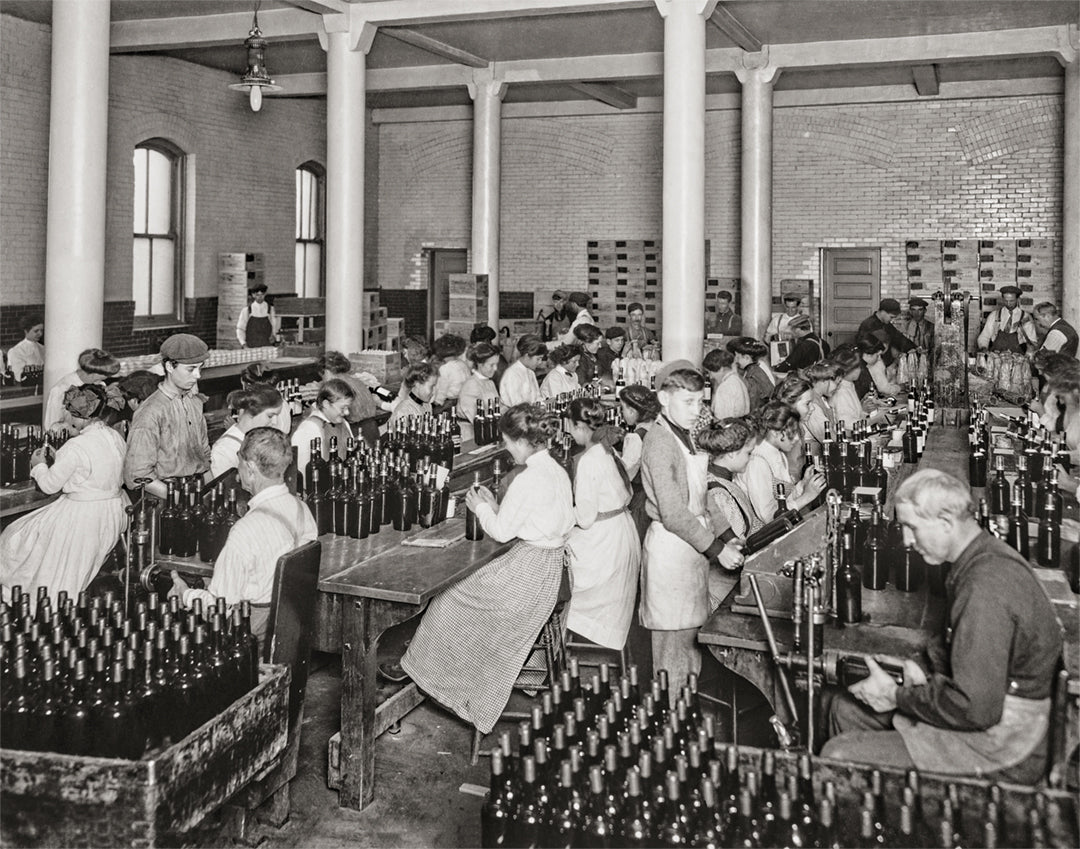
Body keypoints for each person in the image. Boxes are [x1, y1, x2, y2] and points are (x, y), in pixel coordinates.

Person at [821, 470, 1062, 784]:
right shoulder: (981, 556)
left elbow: (976, 709)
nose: (906, 540)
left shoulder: (984, 587)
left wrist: (897, 695)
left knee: (836, 755)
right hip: (991, 710)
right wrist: (919, 674)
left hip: (1001, 742)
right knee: (843, 709)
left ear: (946, 523)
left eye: (911, 527)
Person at [401, 404, 574, 734]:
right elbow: (530, 519)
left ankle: (449, 684)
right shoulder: (554, 470)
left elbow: (501, 532)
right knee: (461, 594)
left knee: (448, 599)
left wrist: (479, 506)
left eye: (508, 443)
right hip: (546, 570)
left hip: (526, 574)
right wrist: (496, 508)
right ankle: (449, 673)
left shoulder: (529, 478)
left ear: (523, 442)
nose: (507, 449)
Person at [640, 365, 744, 696]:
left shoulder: (685, 434)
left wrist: (728, 537)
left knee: (690, 653)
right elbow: (672, 513)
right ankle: (671, 729)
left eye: (700, 402)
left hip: (692, 550)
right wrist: (717, 549)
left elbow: (704, 495)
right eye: (687, 402)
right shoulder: (660, 443)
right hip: (672, 552)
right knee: (673, 657)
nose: (696, 411)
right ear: (663, 399)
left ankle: (685, 721)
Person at [171, 428, 317, 648]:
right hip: (290, 632)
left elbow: (218, 608)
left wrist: (185, 594)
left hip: (250, 638)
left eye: (239, 462)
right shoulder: (301, 509)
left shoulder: (245, 530)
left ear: (250, 468)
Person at [1, 384, 128, 603]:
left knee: (17, 535)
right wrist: (59, 456)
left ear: (77, 416)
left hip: (82, 517)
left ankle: (31, 603)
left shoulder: (77, 445)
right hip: (112, 512)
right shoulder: (114, 437)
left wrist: (39, 464)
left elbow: (49, 486)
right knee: (78, 570)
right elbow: (93, 469)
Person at [564, 398, 640, 651]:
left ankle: (550, 653)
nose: (567, 432)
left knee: (549, 570)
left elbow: (584, 518)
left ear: (577, 426)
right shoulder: (606, 448)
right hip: (621, 531)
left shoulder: (588, 460)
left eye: (569, 427)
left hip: (604, 545)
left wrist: (559, 512)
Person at [123, 334, 211, 500]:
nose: (198, 375)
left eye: (201, 368)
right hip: (163, 500)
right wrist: (180, 500)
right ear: (170, 367)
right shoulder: (150, 412)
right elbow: (136, 475)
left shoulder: (194, 404)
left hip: (195, 492)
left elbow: (204, 459)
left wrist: (209, 494)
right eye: (191, 369)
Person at [739, 400, 826, 522]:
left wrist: (803, 484)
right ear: (774, 433)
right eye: (792, 433)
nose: (796, 438)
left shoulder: (779, 453)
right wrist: (807, 497)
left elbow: (785, 500)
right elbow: (768, 516)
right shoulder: (757, 461)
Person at [700, 417, 763, 541]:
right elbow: (738, 543)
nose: (751, 458)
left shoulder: (723, 478)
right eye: (748, 453)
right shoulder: (718, 493)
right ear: (732, 453)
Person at [211, 384, 285, 478]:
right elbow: (227, 489)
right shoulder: (224, 449)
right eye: (270, 416)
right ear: (252, 412)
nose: (274, 422)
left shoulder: (259, 438)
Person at [290, 378, 354, 484]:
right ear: (326, 404)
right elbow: (301, 471)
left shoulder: (342, 422)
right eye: (343, 408)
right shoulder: (309, 429)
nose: (347, 413)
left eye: (348, 408)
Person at [619, 384, 661, 541]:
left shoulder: (635, 437)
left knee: (636, 539)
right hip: (654, 495)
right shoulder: (657, 428)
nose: (622, 413)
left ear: (631, 411)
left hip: (639, 499)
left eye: (622, 409)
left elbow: (626, 474)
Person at [43, 348, 121, 432]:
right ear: (93, 373)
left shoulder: (99, 384)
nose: (106, 378)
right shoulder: (60, 389)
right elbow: (51, 426)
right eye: (106, 375)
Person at [317, 350, 381, 447]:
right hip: (373, 431)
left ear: (327, 372)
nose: (323, 380)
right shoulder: (357, 381)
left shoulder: (337, 387)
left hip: (355, 434)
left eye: (323, 376)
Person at [456, 342, 500, 443]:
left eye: (496, 364)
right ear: (480, 364)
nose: (496, 368)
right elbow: (477, 418)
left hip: (487, 431)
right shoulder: (471, 385)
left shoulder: (490, 382)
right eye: (492, 365)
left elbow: (498, 408)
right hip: (470, 435)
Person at [857, 298, 917, 366]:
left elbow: (898, 337)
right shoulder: (870, 325)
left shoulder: (885, 324)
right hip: (871, 365)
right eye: (891, 317)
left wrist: (914, 348)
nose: (892, 320)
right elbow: (883, 345)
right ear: (883, 312)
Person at [977, 286, 1038, 353]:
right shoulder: (994, 315)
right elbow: (984, 336)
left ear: (1018, 299)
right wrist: (983, 347)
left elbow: (1032, 341)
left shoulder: (1026, 317)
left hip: (1018, 357)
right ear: (1002, 299)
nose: (1008, 304)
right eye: (1006, 301)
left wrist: (1028, 355)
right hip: (996, 356)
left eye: (1012, 301)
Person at [729, 337, 776, 413]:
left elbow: (753, 404)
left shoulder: (752, 376)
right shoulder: (756, 369)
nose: (735, 360)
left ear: (747, 358)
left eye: (737, 357)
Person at [827, 346, 868, 428]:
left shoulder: (849, 384)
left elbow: (854, 414)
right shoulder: (841, 391)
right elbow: (848, 425)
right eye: (857, 367)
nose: (860, 370)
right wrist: (876, 418)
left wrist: (864, 410)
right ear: (848, 370)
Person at [803, 360, 843, 445]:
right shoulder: (813, 404)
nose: (838, 387)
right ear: (824, 381)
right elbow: (826, 437)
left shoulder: (822, 399)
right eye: (837, 383)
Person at [500, 335, 547, 407]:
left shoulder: (530, 372)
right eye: (538, 359)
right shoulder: (512, 374)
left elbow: (537, 398)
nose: (540, 362)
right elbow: (517, 405)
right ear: (527, 355)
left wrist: (544, 403)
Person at [704, 347, 750, 420]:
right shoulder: (737, 380)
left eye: (711, 372)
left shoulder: (725, 387)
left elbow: (722, 420)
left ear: (721, 369)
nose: (711, 376)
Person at [387, 362, 437, 428]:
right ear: (417, 384)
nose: (434, 392)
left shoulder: (427, 406)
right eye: (431, 387)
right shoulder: (403, 412)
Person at [235, 283, 280, 348]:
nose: (260, 297)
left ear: (265, 294)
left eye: (262, 294)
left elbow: (275, 326)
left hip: (267, 346)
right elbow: (240, 329)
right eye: (257, 295)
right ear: (253, 295)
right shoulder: (247, 311)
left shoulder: (271, 310)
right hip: (250, 347)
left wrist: (274, 335)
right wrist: (243, 344)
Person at [432, 334, 471, 406]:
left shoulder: (445, 368)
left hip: (449, 403)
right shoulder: (463, 364)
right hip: (464, 401)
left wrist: (435, 404)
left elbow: (442, 391)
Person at [8, 314, 44, 383]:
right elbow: (18, 377)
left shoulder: (43, 348)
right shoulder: (16, 351)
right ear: (26, 331)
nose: (40, 334)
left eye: (41, 330)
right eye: (36, 331)